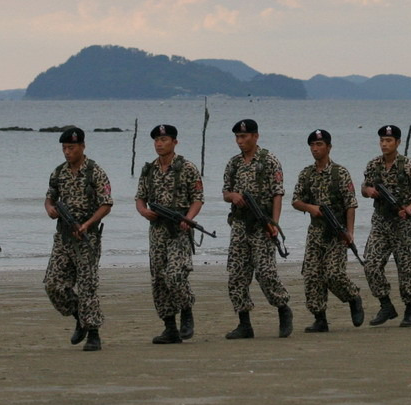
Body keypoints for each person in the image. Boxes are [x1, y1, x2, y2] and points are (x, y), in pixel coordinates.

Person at [221, 119, 293, 339]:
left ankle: (283, 309)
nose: (240, 141)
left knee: (265, 272)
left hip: (261, 224)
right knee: (236, 274)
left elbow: (277, 193)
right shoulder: (234, 164)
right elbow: (225, 192)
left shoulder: (269, 161)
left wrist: (274, 222)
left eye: (244, 136)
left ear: (255, 136)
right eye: (237, 137)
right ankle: (244, 323)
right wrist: (233, 196)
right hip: (240, 225)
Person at [43, 126, 113, 350]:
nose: (67, 152)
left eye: (71, 147)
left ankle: (93, 333)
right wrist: (50, 209)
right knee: (53, 284)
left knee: (87, 286)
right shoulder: (58, 172)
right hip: (64, 237)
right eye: (64, 148)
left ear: (82, 146)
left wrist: (87, 224)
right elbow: (49, 198)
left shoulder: (94, 171)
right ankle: (79, 317)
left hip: (87, 238)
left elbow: (106, 204)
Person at [136, 124, 204, 344]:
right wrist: (144, 211)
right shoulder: (148, 170)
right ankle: (169, 327)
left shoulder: (187, 168)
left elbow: (197, 197)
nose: (159, 143)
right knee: (158, 280)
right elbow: (140, 197)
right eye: (156, 140)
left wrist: (189, 218)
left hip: (178, 230)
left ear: (175, 142)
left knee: (174, 275)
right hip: (157, 231)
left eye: (164, 140)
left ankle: (186, 308)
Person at [291, 129, 364, 332]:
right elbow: (296, 200)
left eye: (319, 145)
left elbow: (351, 204)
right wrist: (310, 208)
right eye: (312, 145)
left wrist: (349, 233)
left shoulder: (340, 173)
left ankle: (353, 297)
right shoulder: (306, 174)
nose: (315, 149)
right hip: (316, 233)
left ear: (329, 147)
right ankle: (320, 318)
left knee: (333, 274)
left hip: (336, 232)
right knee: (312, 275)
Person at [360, 124, 411, 327]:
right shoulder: (373, 165)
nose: (384, 144)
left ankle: (410, 310)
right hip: (381, 222)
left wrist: (410, 207)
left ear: (398, 143)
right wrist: (368, 191)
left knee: (405, 268)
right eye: (382, 140)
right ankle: (386, 304)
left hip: (402, 223)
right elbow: (364, 186)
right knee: (371, 264)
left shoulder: (408, 165)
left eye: (389, 140)